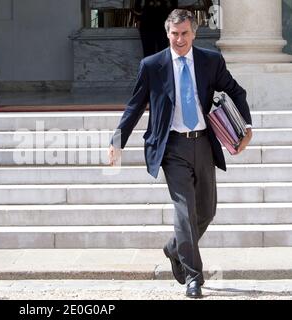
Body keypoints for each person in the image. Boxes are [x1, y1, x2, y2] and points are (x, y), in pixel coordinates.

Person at [108, 9, 253, 298]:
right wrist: (117, 140)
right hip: (172, 146)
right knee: (184, 211)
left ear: (194, 33)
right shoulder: (153, 65)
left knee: (207, 210)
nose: (179, 39)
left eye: (185, 33)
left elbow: (237, 91)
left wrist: (245, 127)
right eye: (174, 34)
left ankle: (174, 248)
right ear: (167, 34)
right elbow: (135, 105)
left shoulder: (210, 61)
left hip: (203, 143)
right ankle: (193, 276)